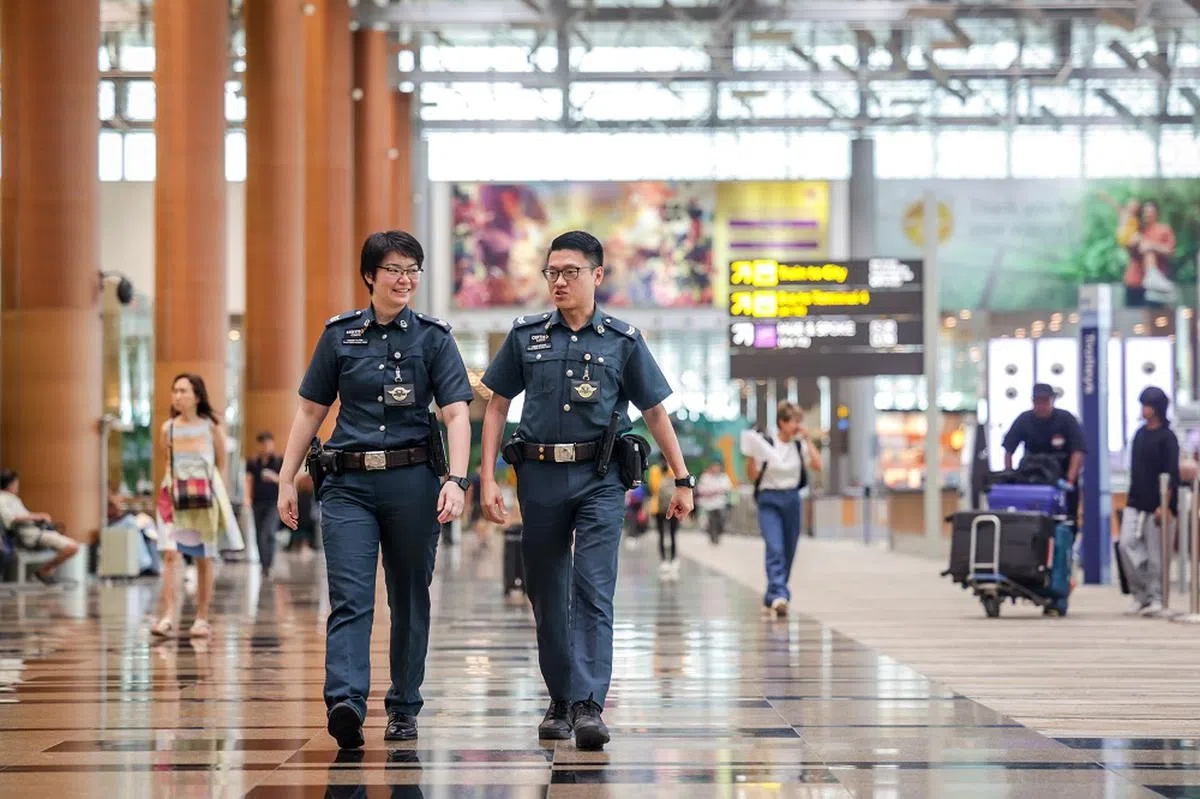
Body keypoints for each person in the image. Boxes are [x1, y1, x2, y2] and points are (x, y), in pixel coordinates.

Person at [478, 230, 694, 751]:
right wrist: (485, 478)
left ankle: (589, 705)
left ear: (597, 275)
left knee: (593, 588)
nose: (559, 281)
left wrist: (682, 478)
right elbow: (497, 405)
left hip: (601, 480)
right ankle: (560, 699)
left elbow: (655, 411)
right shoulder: (526, 336)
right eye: (552, 272)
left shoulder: (623, 340)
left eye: (570, 272)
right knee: (547, 590)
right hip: (539, 479)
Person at [275, 230, 474, 750]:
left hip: (413, 483)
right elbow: (310, 411)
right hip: (349, 485)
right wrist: (286, 479)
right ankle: (345, 701)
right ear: (369, 275)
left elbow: (456, 413)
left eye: (412, 270)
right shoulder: (339, 336)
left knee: (409, 598)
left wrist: (457, 479)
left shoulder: (434, 338)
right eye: (394, 269)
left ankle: (404, 707)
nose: (405, 279)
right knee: (349, 596)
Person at [152, 373, 228, 639]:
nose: (178, 396)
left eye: (183, 391)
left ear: (197, 396)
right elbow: (168, 461)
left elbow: (220, 463)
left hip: (203, 499)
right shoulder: (168, 428)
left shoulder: (211, 427)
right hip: (173, 497)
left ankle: (201, 617)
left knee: (202, 557)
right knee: (170, 554)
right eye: (175, 391)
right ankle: (168, 616)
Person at [742, 402, 822, 617]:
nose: (798, 426)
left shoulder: (799, 446)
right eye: (794, 421)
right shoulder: (767, 444)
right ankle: (779, 593)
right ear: (782, 422)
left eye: (799, 421)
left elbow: (817, 465)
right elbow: (752, 475)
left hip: (792, 499)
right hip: (769, 499)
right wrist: (752, 454)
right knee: (775, 546)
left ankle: (773, 595)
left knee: (789, 549)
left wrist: (807, 439)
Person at [1118, 386, 1179, 617]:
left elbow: (1171, 473)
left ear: (1158, 408)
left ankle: (1156, 597)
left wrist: (1165, 504)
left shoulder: (1168, 437)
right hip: (1135, 500)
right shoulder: (1139, 434)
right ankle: (1140, 594)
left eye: (1148, 405)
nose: (1144, 409)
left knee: (1156, 555)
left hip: (1159, 504)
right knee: (1126, 545)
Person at [1001, 383, 1086, 525]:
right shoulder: (1024, 419)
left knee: (1067, 522)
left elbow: (1077, 451)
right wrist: (1009, 474)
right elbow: (1008, 449)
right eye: (1037, 401)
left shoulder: (1066, 419)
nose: (1041, 406)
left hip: (1061, 479)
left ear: (1052, 400)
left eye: (1045, 401)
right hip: (1032, 481)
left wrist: (1070, 481)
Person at [0, 469, 80, 584]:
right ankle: (45, 570)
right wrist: (37, 516)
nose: (17, 486)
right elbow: (11, 519)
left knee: (71, 545)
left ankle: (45, 570)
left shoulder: (13, 499)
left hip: (35, 531)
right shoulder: (2, 499)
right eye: (16, 483)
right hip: (30, 535)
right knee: (72, 547)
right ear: (10, 484)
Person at [245, 431, 283, 578]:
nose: (265, 447)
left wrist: (274, 477)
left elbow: (285, 481)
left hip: (274, 502)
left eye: (268, 443)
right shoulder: (253, 462)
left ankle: (269, 563)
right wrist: (247, 498)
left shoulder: (278, 461)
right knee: (259, 533)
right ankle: (263, 564)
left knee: (269, 531)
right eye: (262, 444)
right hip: (257, 502)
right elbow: (249, 480)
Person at [648, 455, 680, 580]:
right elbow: (654, 487)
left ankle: (673, 558)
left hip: (672, 506)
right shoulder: (654, 470)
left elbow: (677, 485)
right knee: (661, 534)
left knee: (673, 534)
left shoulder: (674, 469)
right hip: (658, 507)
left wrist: (669, 470)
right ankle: (663, 560)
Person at [696, 460, 733, 545]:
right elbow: (701, 489)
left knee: (720, 521)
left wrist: (714, 491)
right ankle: (713, 537)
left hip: (720, 504)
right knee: (712, 521)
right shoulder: (705, 477)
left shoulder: (723, 477)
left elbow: (727, 488)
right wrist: (712, 491)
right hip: (708, 504)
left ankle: (718, 534)